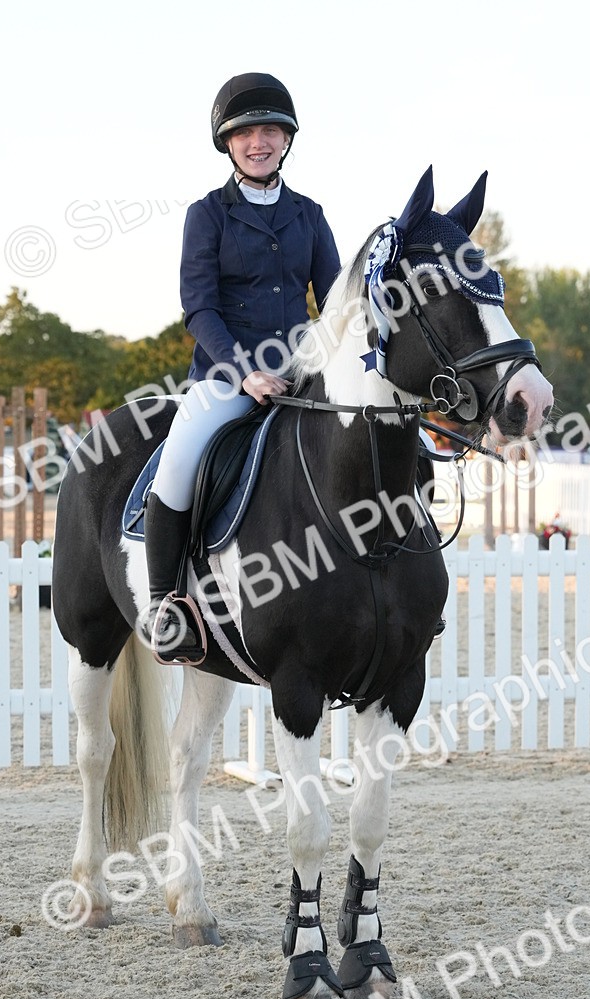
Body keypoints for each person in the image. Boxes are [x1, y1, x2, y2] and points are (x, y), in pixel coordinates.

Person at [145, 72, 341, 664]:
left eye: (271, 131)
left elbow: (334, 303)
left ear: (286, 140)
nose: (260, 142)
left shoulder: (309, 214)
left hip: (301, 375)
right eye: (247, 132)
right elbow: (198, 307)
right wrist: (245, 372)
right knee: (178, 460)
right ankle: (165, 606)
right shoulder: (208, 215)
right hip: (227, 377)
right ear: (228, 143)